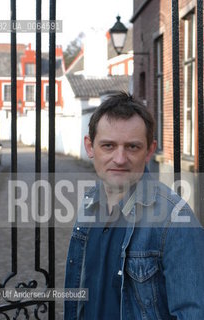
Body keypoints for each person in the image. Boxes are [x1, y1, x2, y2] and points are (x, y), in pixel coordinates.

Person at [64, 92, 204, 320]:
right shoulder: (89, 205)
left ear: (149, 150)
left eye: (132, 147)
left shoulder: (176, 221)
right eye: (108, 145)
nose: (119, 159)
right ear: (90, 147)